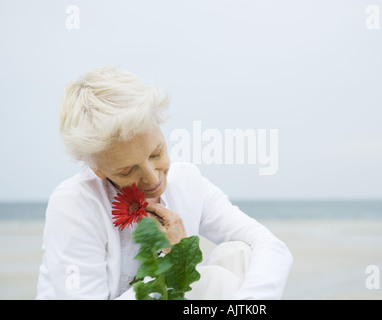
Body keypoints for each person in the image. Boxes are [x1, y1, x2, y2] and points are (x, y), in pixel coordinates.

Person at [36, 65, 293, 300]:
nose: (152, 177)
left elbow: (270, 246)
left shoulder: (187, 181)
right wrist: (175, 260)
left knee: (238, 254)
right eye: (127, 171)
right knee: (215, 279)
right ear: (97, 169)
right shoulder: (73, 204)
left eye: (156, 153)